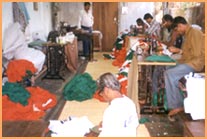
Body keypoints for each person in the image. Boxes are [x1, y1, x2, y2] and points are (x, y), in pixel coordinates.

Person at [164, 16, 205, 119]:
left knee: (170, 74)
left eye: (177, 29)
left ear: (181, 25)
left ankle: (176, 105)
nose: (177, 32)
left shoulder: (194, 33)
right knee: (167, 68)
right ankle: (179, 100)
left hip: (195, 63)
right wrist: (175, 59)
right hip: (188, 61)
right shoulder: (188, 34)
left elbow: (195, 54)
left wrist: (179, 51)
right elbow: (186, 55)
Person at [96, 72, 139, 137]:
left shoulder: (111, 111)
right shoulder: (129, 102)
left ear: (106, 90)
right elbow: (134, 123)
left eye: (101, 93)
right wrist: (105, 124)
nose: (102, 96)